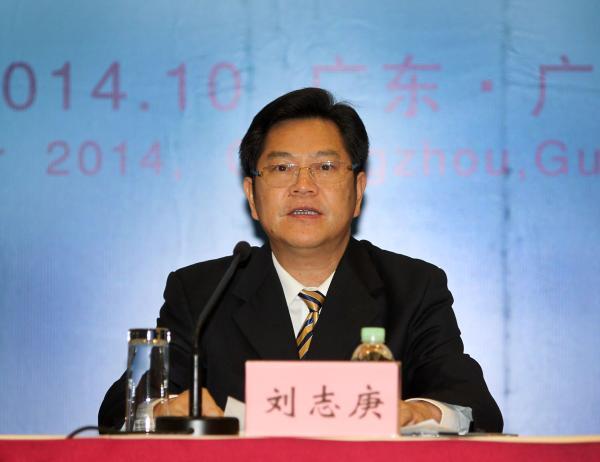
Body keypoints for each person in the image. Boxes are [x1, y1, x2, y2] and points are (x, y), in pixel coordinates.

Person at [99, 88, 503, 433]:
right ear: (252, 195)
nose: (303, 186)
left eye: (325, 167)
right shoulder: (202, 294)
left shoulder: (413, 288)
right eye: (282, 168)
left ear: (358, 189)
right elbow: (120, 409)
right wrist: (163, 411)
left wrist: (413, 412)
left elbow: (475, 408)